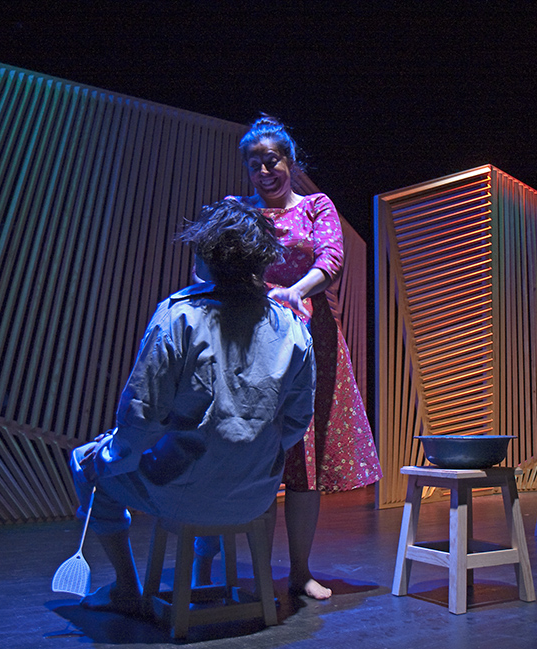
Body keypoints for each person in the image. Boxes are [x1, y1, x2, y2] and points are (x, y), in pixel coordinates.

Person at [68, 198, 316, 616]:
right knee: (214, 450)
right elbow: (296, 422)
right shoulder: (291, 325)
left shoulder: (179, 316)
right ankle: (201, 571)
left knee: (86, 464)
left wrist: (108, 455)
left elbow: (142, 417)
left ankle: (126, 587)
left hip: (184, 495)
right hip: (256, 495)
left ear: (205, 258)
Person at [195, 116, 382, 600]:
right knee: (248, 453)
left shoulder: (317, 206)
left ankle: (299, 572)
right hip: (250, 343)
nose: (264, 171)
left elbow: (331, 260)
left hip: (308, 340)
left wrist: (295, 291)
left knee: (304, 458)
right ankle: (238, 565)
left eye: (272, 160)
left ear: (291, 161)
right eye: (254, 164)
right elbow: (208, 266)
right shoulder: (238, 210)